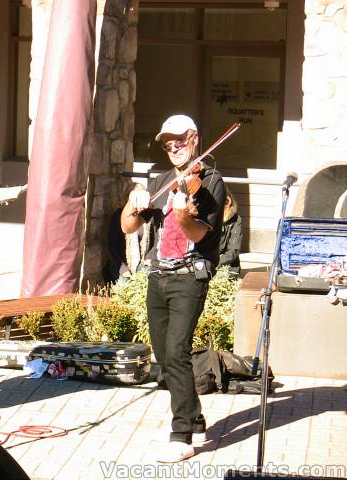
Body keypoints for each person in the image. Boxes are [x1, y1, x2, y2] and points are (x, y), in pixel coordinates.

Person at [120, 114, 225, 463]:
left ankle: (181, 434)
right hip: (158, 275)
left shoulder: (210, 181)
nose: (174, 147)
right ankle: (195, 419)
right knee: (163, 357)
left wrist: (182, 215)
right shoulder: (163, 180)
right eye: (168, 142)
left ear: (194, 138)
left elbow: (200, 234)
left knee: (177, 350)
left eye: (179, 139)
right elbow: (127, 227)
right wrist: (133, 203)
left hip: (189, 278)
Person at [104, 182, 143, 283]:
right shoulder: (118, 216)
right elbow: (111, 245)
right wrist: (123, 268)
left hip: (142, 266)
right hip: (121, 264)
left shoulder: (146, 217)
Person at [218, 187, 242, 277]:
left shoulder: (236, 219)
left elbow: (234, 250)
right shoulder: (210, 216)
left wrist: (218, 261)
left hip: (227, 264)